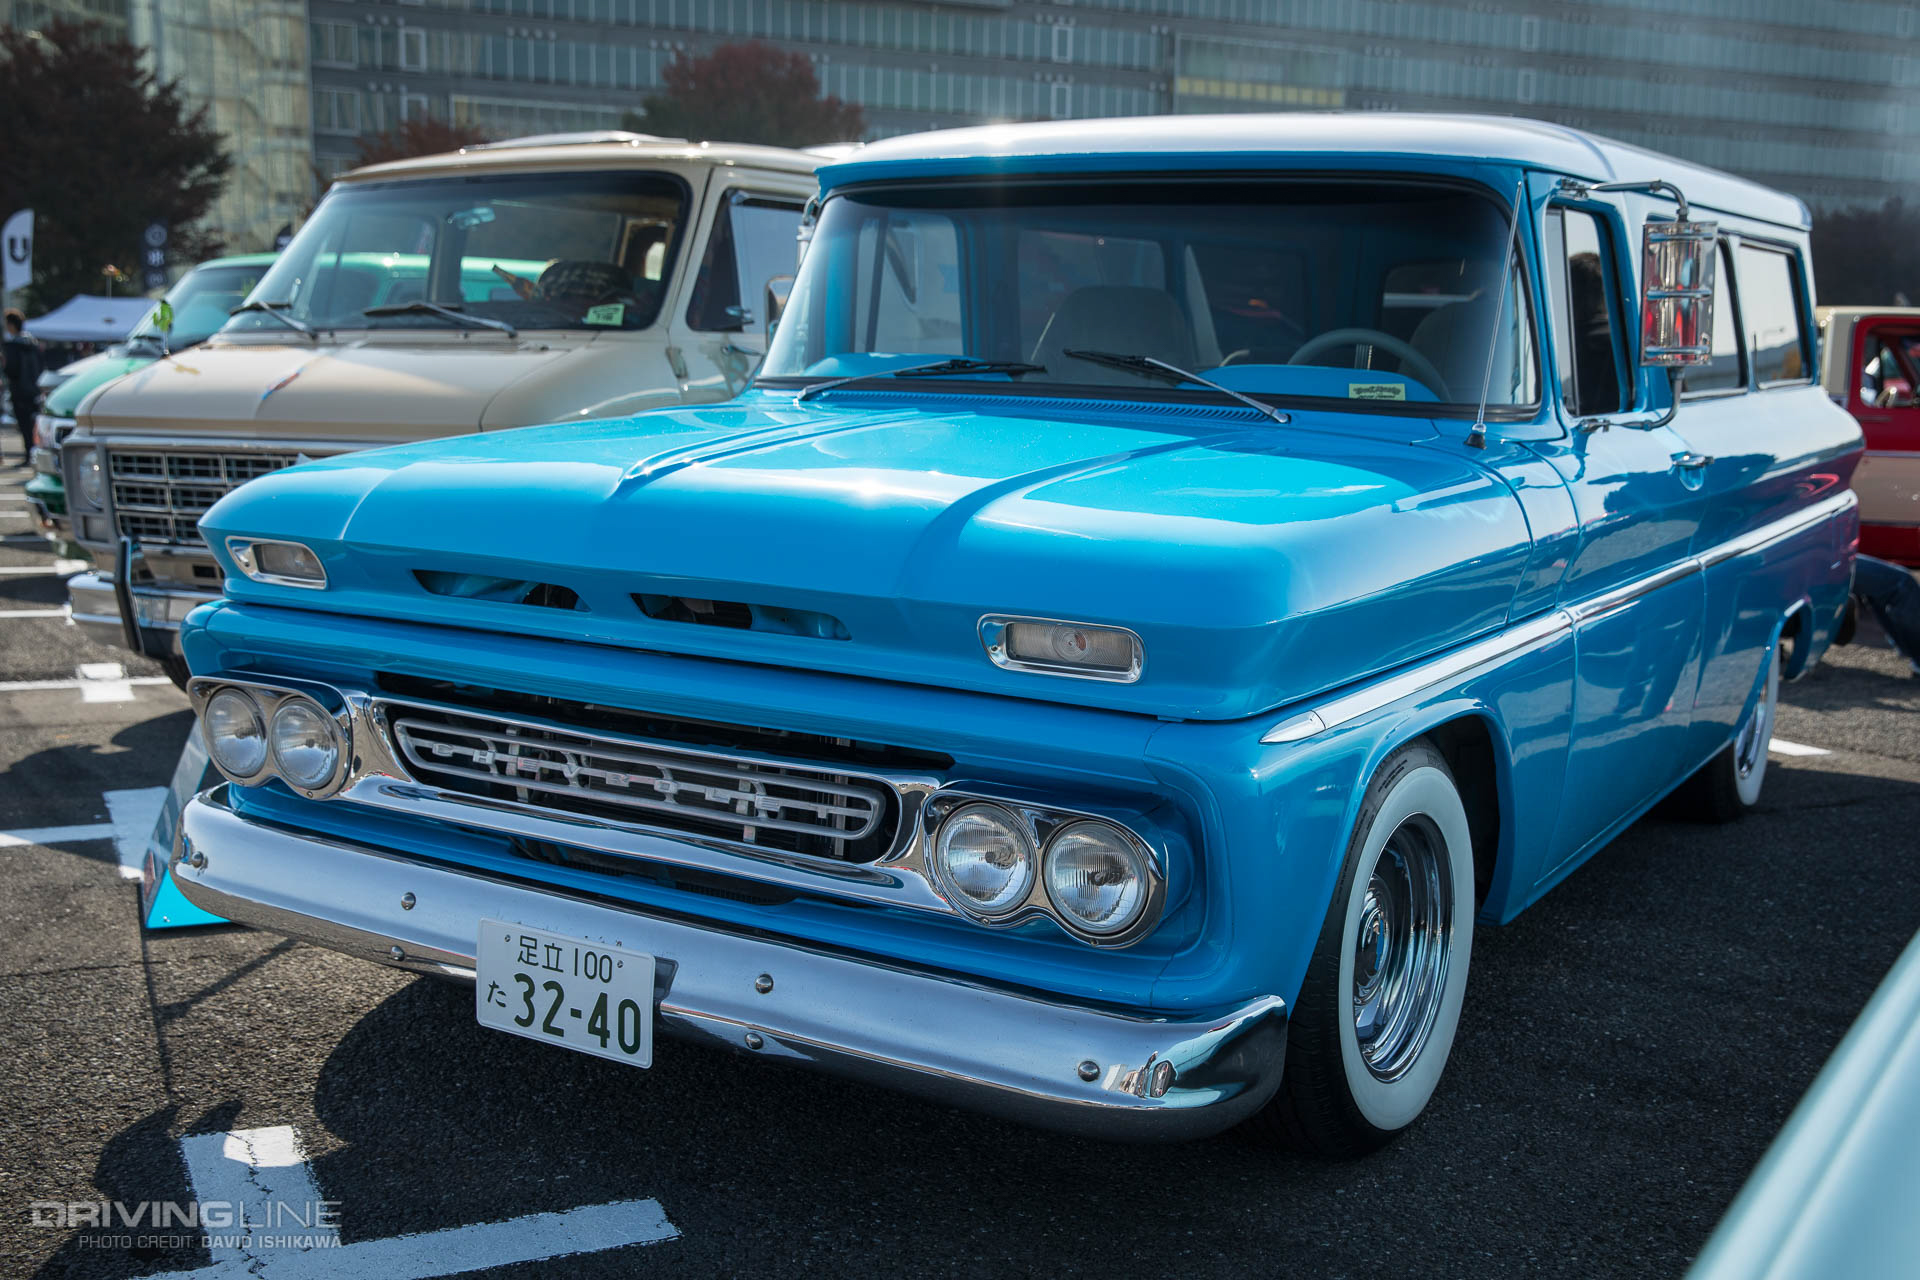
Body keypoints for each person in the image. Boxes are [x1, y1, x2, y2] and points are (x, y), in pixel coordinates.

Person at [1851, 554, 1920, 675]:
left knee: (1886, 586)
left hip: (1829, 555)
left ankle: (1911, 651)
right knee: (1903, 584)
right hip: (1823, 560)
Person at [3, 308, 44, 463]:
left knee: (24, 426)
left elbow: (11, 370)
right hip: (34, 390)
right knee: (34, 425)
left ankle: (29, 455)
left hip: (19, 391)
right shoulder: (33, 343)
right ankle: (35, 455)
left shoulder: (12, 346)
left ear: (11, 325)